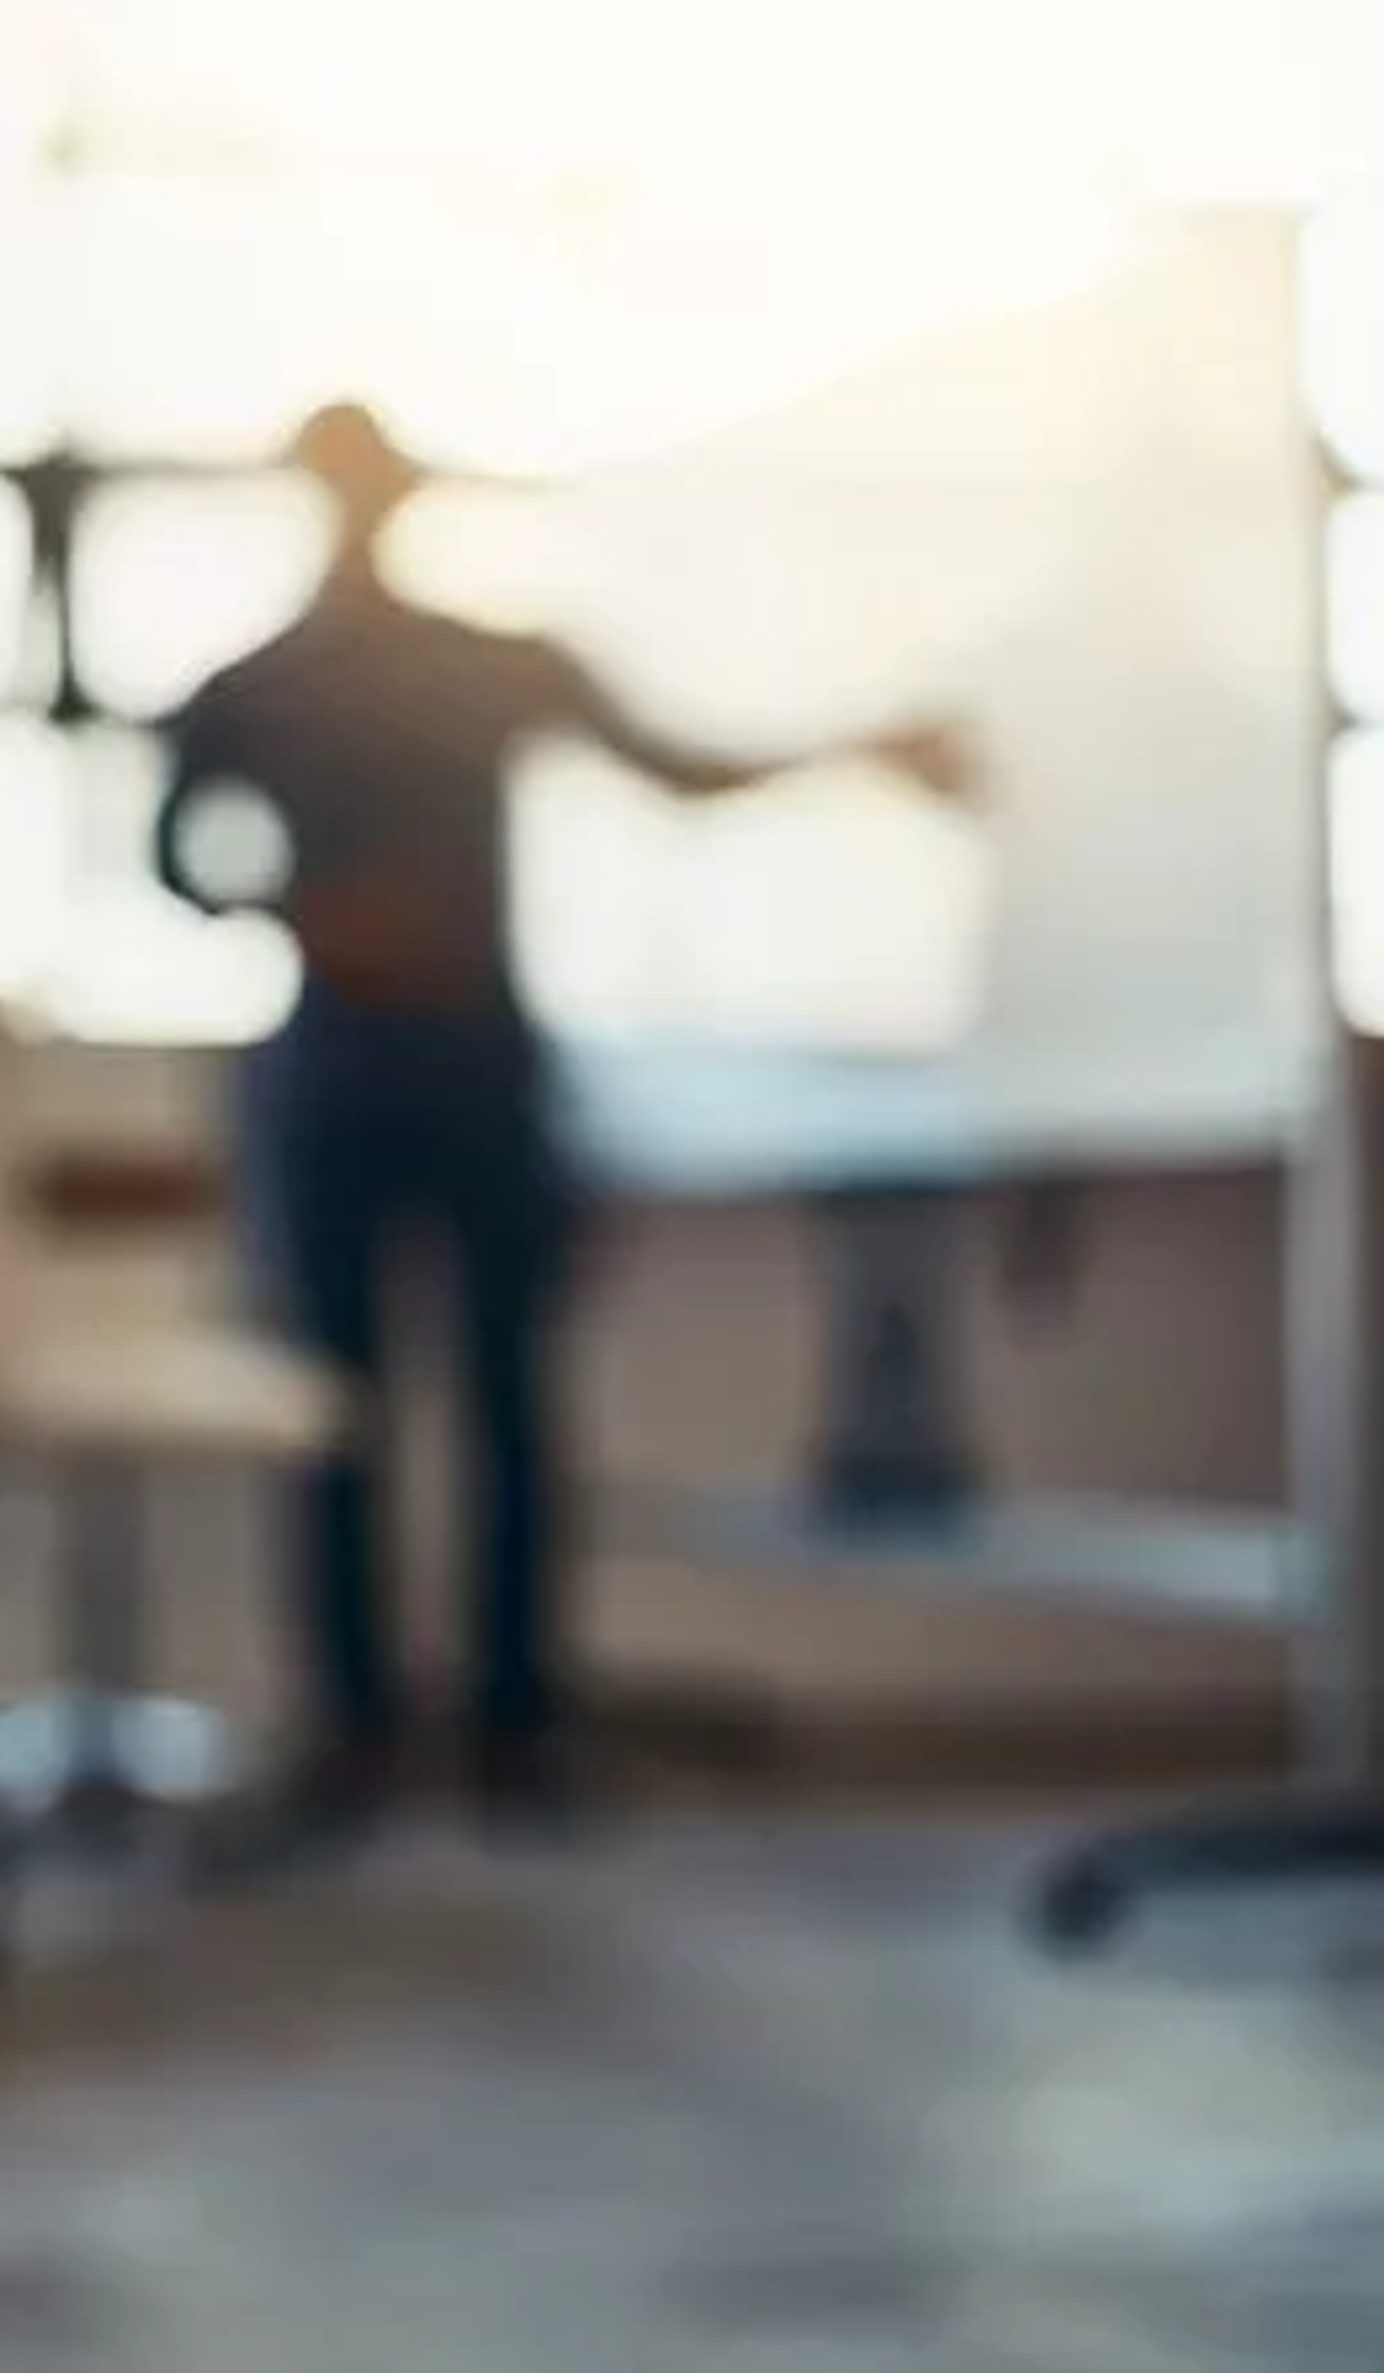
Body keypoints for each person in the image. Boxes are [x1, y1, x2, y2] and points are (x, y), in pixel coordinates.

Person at [155, 402, 974, 1836]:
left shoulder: (486, 663)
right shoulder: (262, 681)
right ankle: (355, 1727)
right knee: (340, 1419)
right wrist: (307, 912)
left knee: (512, 1409)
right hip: (338, 1075)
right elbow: (177, 857)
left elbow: (682, 771)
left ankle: (516, 1722)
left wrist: (861, 748)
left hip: (477, 1067)